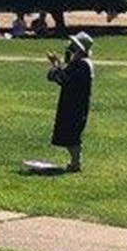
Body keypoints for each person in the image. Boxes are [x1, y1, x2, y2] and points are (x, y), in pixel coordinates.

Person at [46, 32, 95, 172]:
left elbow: (62, 78)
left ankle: (75, 163)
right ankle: (75, 162)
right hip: (72, 102)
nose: (70, 47)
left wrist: (56, 64)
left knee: (71, 133)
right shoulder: (79, 64)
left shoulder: (82, 65)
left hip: (75, 104)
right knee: (70, 132)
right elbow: (56, 77)